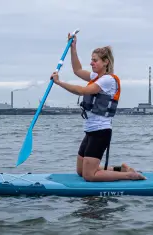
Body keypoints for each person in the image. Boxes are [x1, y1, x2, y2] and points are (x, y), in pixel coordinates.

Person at [50, 33, 146, 182]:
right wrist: (73, 48)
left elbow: (82, 91)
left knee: (89, 175)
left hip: (101, 131)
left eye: (95, 61)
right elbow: (77, 70)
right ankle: (121, 169)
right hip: (90, 130)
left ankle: (130, 175)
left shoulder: (108, 80)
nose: (91, 63)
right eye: (91, 60)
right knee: (81, 171)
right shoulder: (96, 77)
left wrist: (59, 83)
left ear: (106, 62)